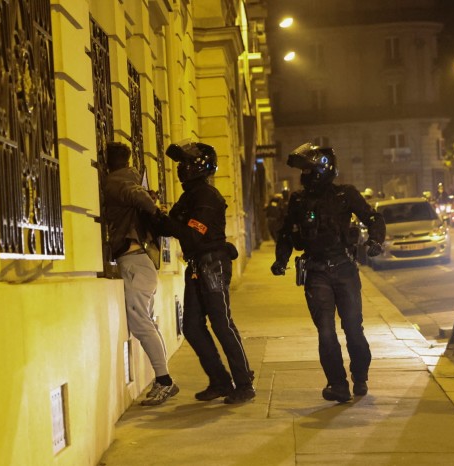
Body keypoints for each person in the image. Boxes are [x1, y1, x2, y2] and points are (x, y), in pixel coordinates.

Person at [270, 142, 386, 402]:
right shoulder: (298, 200)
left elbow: (373, 218)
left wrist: (375, 241)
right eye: (304, 171)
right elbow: (286, 233)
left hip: (344, 268)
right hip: (315, 271)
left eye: (309, 171)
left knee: (353, 328)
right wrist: (281, 260)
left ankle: (360, 375)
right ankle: (337, 384)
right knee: (325, 331)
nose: (305, 176)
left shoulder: (345, 195)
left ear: (323, 169)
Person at [158, 141, 255, 404]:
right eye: (180, 163)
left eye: (186, 163)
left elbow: (189, 232)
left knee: (222, 323)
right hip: (198, 265)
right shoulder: (189, 195)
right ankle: (220, 381)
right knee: (191, 326)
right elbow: (170, 225)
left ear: (200, 166)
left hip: (212, 263)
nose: (181, 168)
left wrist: (165, 221)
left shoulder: (206, 196)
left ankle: (244, 383)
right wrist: (154, 214)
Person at [103, 141, 179, 406]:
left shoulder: (115, 183)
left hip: (135, 263)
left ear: (107, 161)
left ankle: (165, 380)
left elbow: (136, 195)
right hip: (141, 263)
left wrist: (154, 210)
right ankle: (164, 380)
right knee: (147, 325)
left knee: (142, 325)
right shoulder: (131, 178)